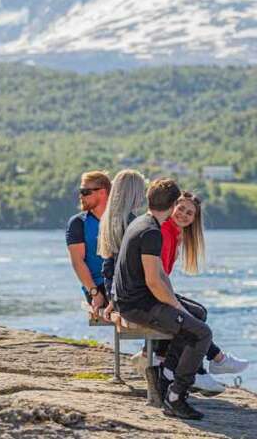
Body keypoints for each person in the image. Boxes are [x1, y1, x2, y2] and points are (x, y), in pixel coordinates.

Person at [112, 178, 212, 420]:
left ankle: (165, 375)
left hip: (134, 299)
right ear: (172, 204)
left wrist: (179, 306)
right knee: (201, 333)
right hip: (137, 306)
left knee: (196, 316)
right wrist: (176, 307)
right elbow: (154, 282)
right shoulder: (151, 232)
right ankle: (176, 397)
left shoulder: (142, 222)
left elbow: (160, 276)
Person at [159, 191, 249, 377]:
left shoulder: (174, 234)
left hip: (157, 290)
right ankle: (213, 361)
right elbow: (157, 276)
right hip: (153, 293)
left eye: (189, 213)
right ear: (172, 207)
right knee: (196, 317)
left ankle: (171, 359)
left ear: (193, 220)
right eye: (181, 208)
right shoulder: (165, 232)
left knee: (199, 312)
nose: (183, 214)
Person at [97, 169, 146, 319]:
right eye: (141, 191)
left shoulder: (109, 219)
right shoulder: (132, 223)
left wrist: (111, 295)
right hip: (128, 296)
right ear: (133, 193)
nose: (144, 196)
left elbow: (108, 265)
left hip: (116, 292)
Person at [66, 170, 111, 310]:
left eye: (85, 192)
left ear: (102, 193)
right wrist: (94, 293)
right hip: (97, 287)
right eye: (80, 191)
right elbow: (77, 261)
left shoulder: (119, 220)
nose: (81, 196)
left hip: (120, 285)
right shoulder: (78, 223)